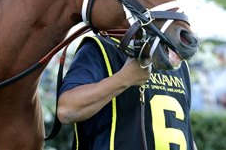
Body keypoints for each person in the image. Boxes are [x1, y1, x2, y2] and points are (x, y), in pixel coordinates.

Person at [57, 34, 198, 150]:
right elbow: (66, 110)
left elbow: (185, 132)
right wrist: (122, 79)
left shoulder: (179, 65)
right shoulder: (100, 48)